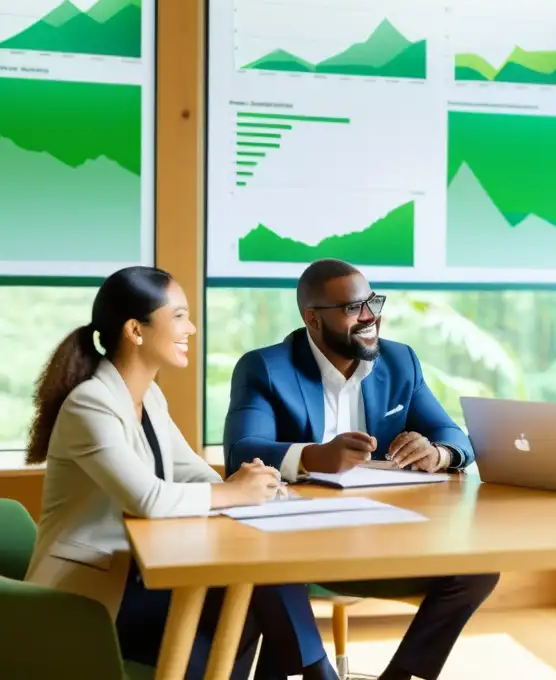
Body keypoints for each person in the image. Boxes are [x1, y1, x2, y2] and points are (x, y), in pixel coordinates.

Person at [24, 266, 337, 679]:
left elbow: (193, 472)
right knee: (253, 593)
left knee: (259, 589)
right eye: (178, 316)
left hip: (138, 575)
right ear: (136, 330)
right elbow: (149, 499)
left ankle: (317, 673)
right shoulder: (91, 404)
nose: (191, 327)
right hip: (90, 597)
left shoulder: (148, 395)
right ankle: (319, 673)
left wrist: (260, 484)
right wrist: (235, 493)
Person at [223, 258, 499, 680]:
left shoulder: (400, 361)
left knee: (479, 567)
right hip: (299, 546)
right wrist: (315, 456)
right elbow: (242, 452)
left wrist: (438, 452)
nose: (371, 316)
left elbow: (452, 433)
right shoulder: (266, 368)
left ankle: (400, 676)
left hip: (386, 538)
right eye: (354, 308)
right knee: (259, 560)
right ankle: (320, 673)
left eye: (373, 302)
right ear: (312, 318)